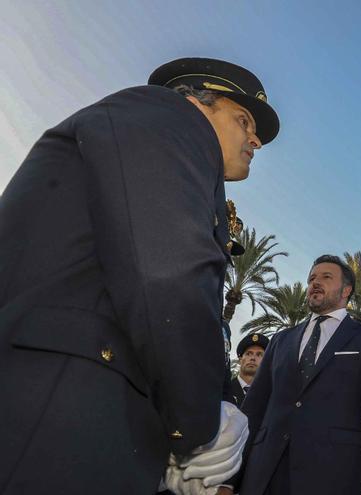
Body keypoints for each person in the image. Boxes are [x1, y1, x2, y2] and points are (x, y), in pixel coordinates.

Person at [0, 57, 278, 493]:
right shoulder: (167, 114)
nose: (255, 139)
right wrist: (202, 428)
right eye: (244, 120)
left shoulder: (191, 163)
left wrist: (215, 411)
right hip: (53, 404)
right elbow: (170, 273)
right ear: (197, 100)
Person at [219, 255, 361, 495]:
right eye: (312, 278)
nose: (315, 282)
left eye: (326, 277)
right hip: (264, 474)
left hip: (331, 474)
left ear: (346, 290)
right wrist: (229, 479)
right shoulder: (281, 340)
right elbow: (252, 410)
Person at [229, 332, 270, 407]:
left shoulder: (270, 394)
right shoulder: (224, 390)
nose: (253, 358)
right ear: (240, 359)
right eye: (248, 354)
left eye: (259, 354)